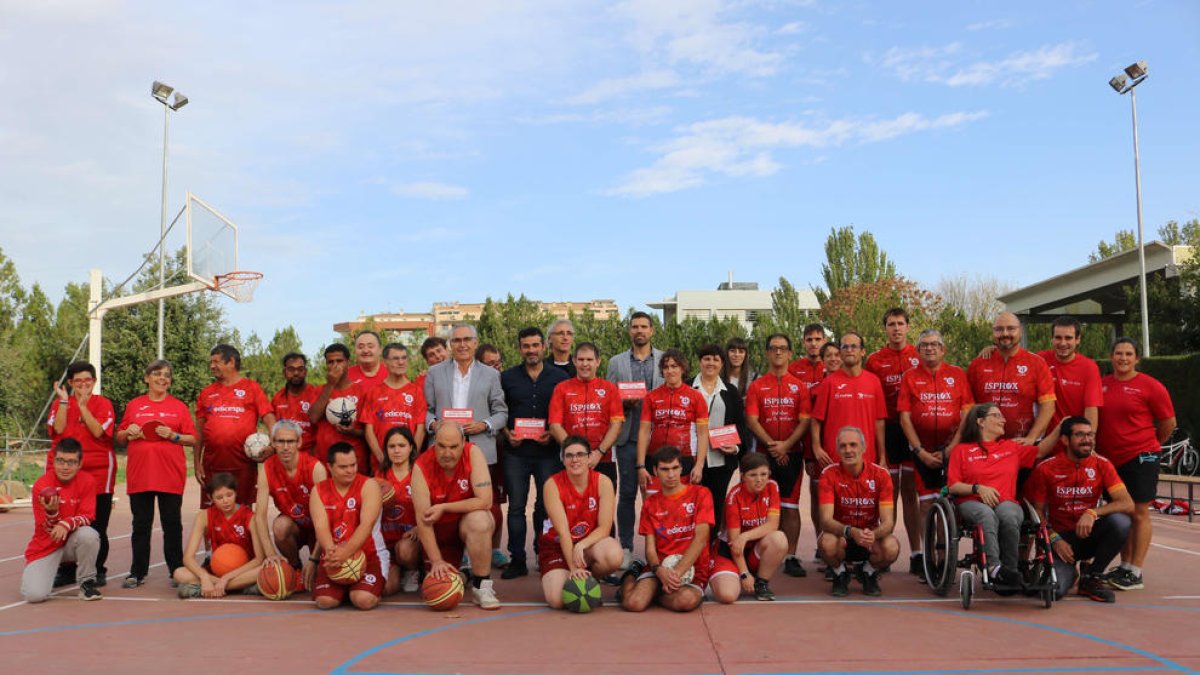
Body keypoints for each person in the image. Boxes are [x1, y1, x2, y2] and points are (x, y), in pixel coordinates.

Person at [424, 323, 509, 569]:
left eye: (467, 339)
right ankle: (455, 555)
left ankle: (485, 552)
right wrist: (435, 425)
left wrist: (484, 424)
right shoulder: (435, 373)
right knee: (447, 502)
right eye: (456, 340)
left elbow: (501, 412)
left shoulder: (491, 374)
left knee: (485, 504)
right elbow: (426, 410)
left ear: (475, 342)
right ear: (450, 344)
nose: (462, 344)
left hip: (480, 448)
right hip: (445, 450)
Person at [1096, 337, 1175, 591]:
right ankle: (1125, 566)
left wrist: (1150, 444)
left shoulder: (1151, 386)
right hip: (1111, 460)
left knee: (1139, 513)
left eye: (1129, 354)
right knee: (1120, 513)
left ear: (1137, 358)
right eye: (1119, 353)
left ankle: (1136, 570)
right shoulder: (1103, 385)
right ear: (1111, 356)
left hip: (1142, 457)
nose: (1123, 358)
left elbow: (1168, 423)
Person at [946, 403, 1054, 589]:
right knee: (986, 515)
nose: (1003, 419)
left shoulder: (1011, 447)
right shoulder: (961, 450)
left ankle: (1010, 571)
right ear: (980, 421)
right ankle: (994, 567)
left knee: (1009, 515)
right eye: (996, 415)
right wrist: (978, 488)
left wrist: (1062, 427)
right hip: (971, 501)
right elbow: (953, 486)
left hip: (1005, 501)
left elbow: (1042, 450)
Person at [1027, 417, 1133, 602]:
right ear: (1065, 440)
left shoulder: (1102, 464)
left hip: (1087, 534)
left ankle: (1091, 578)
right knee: (1054, 592)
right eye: (1080, 435)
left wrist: (1092, 512)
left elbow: (1127, 503)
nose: (1087, 439)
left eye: (1090, 434)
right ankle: (1069, 574)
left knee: (1121, 522)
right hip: (1059, 540)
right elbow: (1037, 513)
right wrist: (1054, 538)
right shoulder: (1046, 468)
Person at [896, 328, 973, 578]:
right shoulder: (909, 377)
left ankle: (946, 554)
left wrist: (953, 446)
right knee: (926, 504)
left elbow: (967, 414)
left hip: (951, 449)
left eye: (934, 344)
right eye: (924, 345)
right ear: (917, 351)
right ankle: (929, 557)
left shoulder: (957, 374)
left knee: (949, 503)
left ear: (943, 349)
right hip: (922, 450)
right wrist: (918, 450)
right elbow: (905, 417)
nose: (929, 348)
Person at [117, 359, 196, 588]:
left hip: (170, 475)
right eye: (157, 374)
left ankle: (176, 570)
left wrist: (174, 436)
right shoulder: (134, 405)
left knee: (172, 524)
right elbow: (120, 436)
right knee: (141, 525)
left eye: (167, 375)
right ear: (147, 378)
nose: (162, 378)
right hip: (140, 475)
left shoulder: (179, 407)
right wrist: (128, 432)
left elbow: (193, 438)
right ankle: (137, 572)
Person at [499, 327, 569, 579]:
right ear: (520, 348)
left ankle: (544, 555)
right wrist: (507, 433)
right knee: (516, 507)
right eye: (526, 346)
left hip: (548, 452)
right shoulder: (506, 378)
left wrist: (553, 433)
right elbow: (498, 410)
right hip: (516, 452)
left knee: (545, 506)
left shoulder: (560, 377)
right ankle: (517, 559)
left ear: (543, 347)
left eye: (535, 345)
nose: (531, 350)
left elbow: (564, 412)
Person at [410, 423, 501, 609]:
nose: (447, 453)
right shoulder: (421, 466)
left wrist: (444, 507)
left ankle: (482, 586)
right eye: (441, 446)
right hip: (441, 530)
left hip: (468, 522)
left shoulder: (473, 453)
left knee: (479, 520)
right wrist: (436, 561)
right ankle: (465, 573)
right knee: (443, 581)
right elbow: (423, 519)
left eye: (453, 447)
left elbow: (485, 501)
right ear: (434, 443)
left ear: (463, 443)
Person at [745, 333, 811, 577]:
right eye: (773, 348)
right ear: (767, 353)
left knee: (790, 507)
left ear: (790, 353)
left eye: (783, 348)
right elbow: (752, 420)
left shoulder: (799, 386)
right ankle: (761, 551)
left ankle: (791, 556)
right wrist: (774, 445)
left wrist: (786, 445)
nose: (778, 352)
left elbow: (804, 420)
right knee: (763, 507)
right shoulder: (757, 386)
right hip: (765, 455)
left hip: (792, 454)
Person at [620, 446, 714, 613]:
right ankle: (632, 573)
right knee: (633, 604)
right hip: (660, 569)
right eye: (664, 469)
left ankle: (654, 595)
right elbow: (650, 548)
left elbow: (700, 540)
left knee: (686, 601)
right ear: (655, 471)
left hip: (692, 569)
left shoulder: (701, 494)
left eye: (675, 468)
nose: (671, 475)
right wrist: (659, 570)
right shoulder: (650, 503)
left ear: (681, 468)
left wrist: (676, 574)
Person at [46, 361, 115, 588]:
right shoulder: (60, 403)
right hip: (66, 471)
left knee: (97, 523)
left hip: (97, 470)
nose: (83, 384)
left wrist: (84, 406)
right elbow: (58, 429)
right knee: (64, 519)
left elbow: (98, 431)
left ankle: (96, 569)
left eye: (87, 380)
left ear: (94, 381)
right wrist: (66, 401)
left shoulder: (103, 403)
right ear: (71, 383)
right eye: (78, 381)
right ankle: (66, 570)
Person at [864, 309, 920, 575]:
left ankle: (917, 553)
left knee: (911, 495)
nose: (896, 328)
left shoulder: (920, 355)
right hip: (886, 431)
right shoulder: (874, 360)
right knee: (888, 496)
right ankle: (885, 550)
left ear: (908, 327)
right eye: (891, 324)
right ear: (885, 329)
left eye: (900, 324)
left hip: (913, 430)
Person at [606, 311, 663, 566]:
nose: (639, 331)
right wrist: (622, 402)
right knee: (628, 494)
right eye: (634, 326)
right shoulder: (616, 362)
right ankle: (627, 548)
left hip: (659, 439)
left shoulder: (665, 360)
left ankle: (661, 546)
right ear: (629, 331)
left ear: (652, 330)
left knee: (659, 495)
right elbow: (608, 398)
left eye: (644, 326)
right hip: (628, 436)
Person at [539, 435, 622, 609]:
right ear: (562, 459)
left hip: (587, 545)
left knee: (614, 555)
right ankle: (577, 574)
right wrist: (573, 568)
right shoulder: (552, 485)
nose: (575, 459)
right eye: (569, 455)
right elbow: (563, 533)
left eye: (580, 454)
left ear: (589, 457)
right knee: (558, 600)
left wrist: (582, 544)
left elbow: (605, 528)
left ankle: (591, 580)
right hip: (556, 546)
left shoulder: (603, 482)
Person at [817, 427, 899, 597]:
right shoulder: (828, 474)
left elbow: (888, 522)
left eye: (853, 445)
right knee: (826, 543)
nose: (848, 450)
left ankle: (868, 572)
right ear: (837, 449)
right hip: (842, 535)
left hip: (869, 536)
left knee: (891, 547)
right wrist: (850, 531)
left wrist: (873, 535)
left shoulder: (881, 475)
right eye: (843, 446)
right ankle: (840, 573)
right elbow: (825, 520)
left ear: (864, 447)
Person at [310, 442, 388, 610]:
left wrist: (344, 553)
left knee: (363, 600)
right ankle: (344, 589)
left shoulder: (369, 486)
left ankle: (359, 589)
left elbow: (366, 526)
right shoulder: (318, 491)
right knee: (325, 602)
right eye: (343, 466)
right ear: (329, 467)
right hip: (334, 556)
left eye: (353, 465)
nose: (350, 470)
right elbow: (321, 528)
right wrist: (332, 553)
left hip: (369, 556)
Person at [21, 439, 102, 602]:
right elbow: (45, 527)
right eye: (61, 461)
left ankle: (86, 583)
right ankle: (40, 573)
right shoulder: (41, 485)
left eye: (71, 462)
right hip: (47, 545)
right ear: (53, 461)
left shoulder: (87, 481)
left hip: (72, 542)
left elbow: (88, 516)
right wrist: (52, 513)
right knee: (34, 595)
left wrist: (66, 523)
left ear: (80, 464)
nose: (65, 467)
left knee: (89, 535)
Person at [196, 344, 275, 506]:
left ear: (231, 362)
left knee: (242, 516)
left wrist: (274, 446)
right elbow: (199, 432)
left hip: (243, 468)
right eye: (211, 362)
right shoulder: (206, 392)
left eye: (216, 362)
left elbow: (269, 419)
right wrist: (197, 463)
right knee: (211, 518)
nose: (212, 366)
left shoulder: (252, 388)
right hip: (212, 467)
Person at [709, 453, 788, 602]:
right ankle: (730, 575)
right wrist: (744, 573)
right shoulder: (733, 497)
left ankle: (761, 583)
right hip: (729, 552)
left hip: (753, 550)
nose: (759, 480)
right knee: (727, 596)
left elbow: (772, 525)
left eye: (764, 474)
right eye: (753, 475)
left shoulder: (772, 487)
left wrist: (745, 536)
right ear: (743, 476)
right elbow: (734, 543)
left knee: (779, 538)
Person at [967, 312, 1056, 444]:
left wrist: (1031, 438)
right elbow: (967, 407)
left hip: (1023, 444)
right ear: (993, 332)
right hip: (985, 445)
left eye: (1010, 328)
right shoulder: (978, 364)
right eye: (999, 329)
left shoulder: (1036, 363)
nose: (1004, 333)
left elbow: (1048, 407)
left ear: (1020, 331)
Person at [254, 419, 326, 577]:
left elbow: (328, 518)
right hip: (296, 528)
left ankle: (318, 562)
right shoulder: (266, 469)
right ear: (273, 442)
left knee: (323, 576)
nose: (285, 447)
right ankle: (295, 568)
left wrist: (314, 559)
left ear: (299, 442)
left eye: (290, 441)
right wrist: (270, 554)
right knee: (280, 526)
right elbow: (259, 516)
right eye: (280, 441)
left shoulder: (315, 468)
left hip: (320, 529)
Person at [175, 473, 265, 598]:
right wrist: (204, 576)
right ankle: (240, 587)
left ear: (236, 493)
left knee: (266, 571)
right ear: (210, 498)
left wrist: (226, 578)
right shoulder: (204, 516)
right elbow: (188, 558)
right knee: (179, 573)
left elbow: (259, 559)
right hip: (216, 571)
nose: (226, 501)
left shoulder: (249, 516)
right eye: (219, 497)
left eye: (229, 495)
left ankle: (212, 587)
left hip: (243, 571)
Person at [548, 342, 624, 486]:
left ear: (598, 362)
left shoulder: (610, 389)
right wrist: (575, 453)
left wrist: (599, 452)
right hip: (572, 461)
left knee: (604, 506)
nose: (585, 364)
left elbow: (617, 424)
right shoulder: (561, 388)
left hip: (603, 458)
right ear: (574, 361)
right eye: (581, 360)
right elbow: (554, 425)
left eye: (589, 360)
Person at [811, 332, 887, 470]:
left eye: (854, 346)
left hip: (867, 458)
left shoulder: (874, 381)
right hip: (835, 459)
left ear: (863, 351)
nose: (849, 350)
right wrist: (816, 448)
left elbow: (879, 422)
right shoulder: (828, 382)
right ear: (840, 352)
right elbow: (816, 420)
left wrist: (882, 455)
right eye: (845, 347)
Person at [636, 348, 709, 492]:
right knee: (653, 509)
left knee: (682, 509)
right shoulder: (651, 397)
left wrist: (699, 465)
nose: (670, 371)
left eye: (674, 366)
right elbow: (644, 432)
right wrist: (640, 466)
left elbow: (703, 434)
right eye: (666, 367)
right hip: (655, 459)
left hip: (685, 459)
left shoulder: (696, 397)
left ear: (682, 369)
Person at [692, 343, 745, 526]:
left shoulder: (730, 392)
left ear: (722, 364)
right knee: (692, 506)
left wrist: (736, 447)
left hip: (721, 460)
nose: (711, 363)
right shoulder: (687, 387)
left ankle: (711, 549)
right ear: (699, 362)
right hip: (691, 458)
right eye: (707, 358)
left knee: (716, 506)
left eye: (716, 359)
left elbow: (741, 425)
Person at [360, 342, 427, 469]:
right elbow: (368, 430)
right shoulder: (373, 392)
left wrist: (412, 457)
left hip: (408, 465)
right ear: (384, 362)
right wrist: (381, 458)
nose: (401, 362)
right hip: (380, 464)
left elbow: (420, 429)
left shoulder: (416, 391)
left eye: (404, 358)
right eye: (396, 358)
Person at [311, 344, 370, 474]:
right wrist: (331, 384)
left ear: (348, 362)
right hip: (326, 460)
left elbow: (370, 432)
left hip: (354, 462)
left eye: (339, 361)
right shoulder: (319, 391)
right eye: (330, 362)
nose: (335, 365)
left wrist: (353, 432)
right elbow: (314, 417)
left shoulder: (362, 391)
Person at [1038, 317, 1103, 434]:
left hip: (1073, 442)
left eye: (1068, 338)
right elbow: (1014, 358)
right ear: (1052, 339)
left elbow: (1091, 410)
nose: (1063, 343)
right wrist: (994, 352)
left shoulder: (1089, 367)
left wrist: (1088, 443)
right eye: (1058, 337)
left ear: (1078, 339)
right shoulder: (1040, 360)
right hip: (1043, 443)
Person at [377, 426, 422, 595]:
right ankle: (397, 570)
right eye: (392, 446)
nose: (396, 451)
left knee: (405, 551)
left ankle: (413, 570)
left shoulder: (420, 473)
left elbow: (430, 507)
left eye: (402, 446)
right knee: (386, 589)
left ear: (411, 447)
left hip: (410, 540)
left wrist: (419, 527)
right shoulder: (379, 475)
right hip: (387, 542)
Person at [271, 352, 321, 457]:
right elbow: (274, 430)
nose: (296, 373)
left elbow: (323, 430)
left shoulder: (316, 394)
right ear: (284, 372)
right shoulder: (277, 398)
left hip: (311, 457)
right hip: (284, 458)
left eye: (300, 369)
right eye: (291, 369)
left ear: (305, 371)